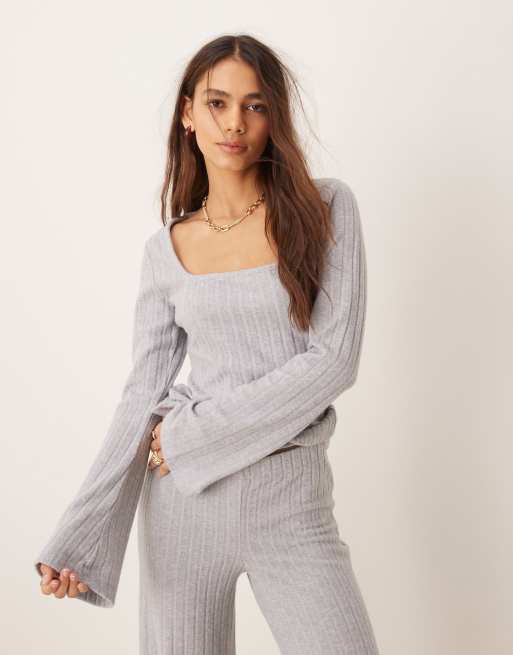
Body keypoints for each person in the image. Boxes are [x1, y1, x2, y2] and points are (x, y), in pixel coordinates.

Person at [35, 33, 380, 655]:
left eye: (255, 105)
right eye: (217, 103)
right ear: (188, 113)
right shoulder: (166, 249)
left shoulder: (326, 208)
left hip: (290, 501)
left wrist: (191, 436)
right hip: (182, 511)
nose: (235, 123)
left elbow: (333, 362)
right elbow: (141, 395)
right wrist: (78, 537)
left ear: (274, 117)